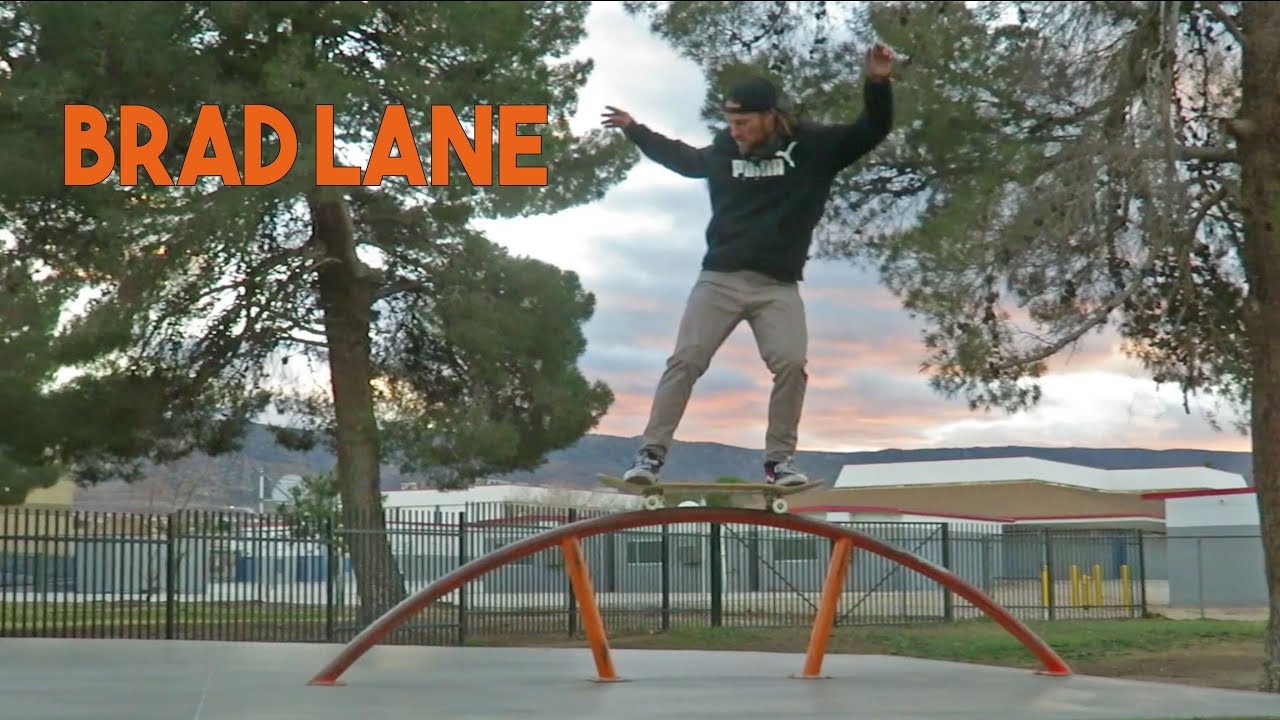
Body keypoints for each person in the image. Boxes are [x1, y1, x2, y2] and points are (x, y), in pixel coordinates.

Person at [600, 43, 896, 488]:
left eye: (742, 123)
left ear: (769, 116)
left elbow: (871, 129)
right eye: (730, 123)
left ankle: (780, 463)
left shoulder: (815, 148)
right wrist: (635, 130)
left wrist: (877, 83)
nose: (734, 131)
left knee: (792, 364)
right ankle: (650, 456)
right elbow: (684, 159)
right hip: (719, 278)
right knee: (685, 360)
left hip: (778, 286)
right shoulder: (724, 150)